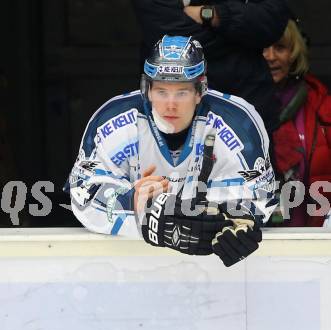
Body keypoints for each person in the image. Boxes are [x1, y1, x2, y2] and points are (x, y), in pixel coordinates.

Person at [68, 35, 276, 266]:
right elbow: (83, 195)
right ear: (146, 89)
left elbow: (257, 199)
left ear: (200, 91)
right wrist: (134, 202)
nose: (170, 104)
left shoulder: (238, 123)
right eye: (161, 91)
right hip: (128, 265)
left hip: (212, 270)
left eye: (182, 92)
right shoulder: (113, 120)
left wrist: (235, 221)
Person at [131, 0, 290, 133]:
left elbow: (272, 19)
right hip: (174, 115)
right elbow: (169, 31)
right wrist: (242, 40)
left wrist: (212, 14)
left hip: (247, 112)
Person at [263, 19, 331, 227]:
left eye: (280, 48)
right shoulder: (236, 105)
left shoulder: (319, 102)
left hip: (310, 235)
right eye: (263, 48)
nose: (271, 57)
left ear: (294, 53)